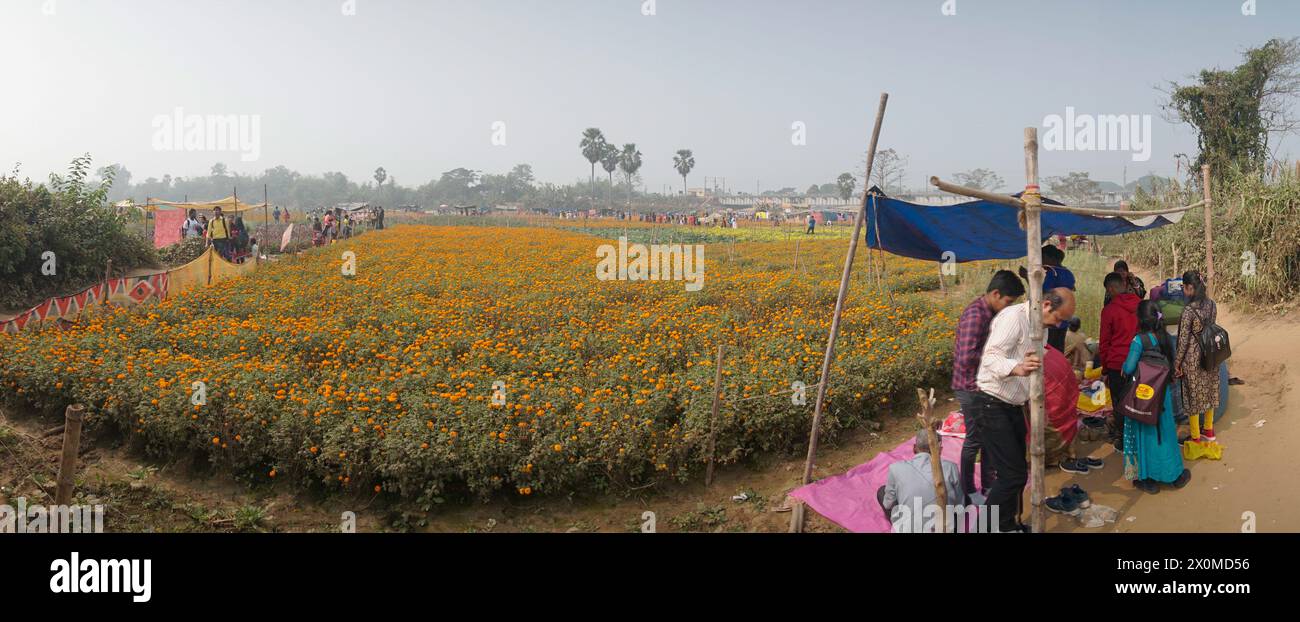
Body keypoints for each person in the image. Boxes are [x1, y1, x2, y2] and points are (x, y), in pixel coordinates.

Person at [973, 287, 1076, 533]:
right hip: (992, 402)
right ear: (1047, 305)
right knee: (1013, 475)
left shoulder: (1042, 330)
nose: (1058, 325)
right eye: (1058, 318)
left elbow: (1036, 365)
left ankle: (1008, 524)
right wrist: (1017, 367)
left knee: (1018, 471)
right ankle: (984, 527)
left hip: (1015, 405)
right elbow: (990, 358)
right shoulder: (1013, 317)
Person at [952, 270, 1025, 504]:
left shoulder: (990, 313)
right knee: (974, 440)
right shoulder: (976, 315)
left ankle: (988, 485)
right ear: (995, 294)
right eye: (1008, 302)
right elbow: (965, 357)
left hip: (980, 385)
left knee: (987, 439)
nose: (1008, 307)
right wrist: (996, 358)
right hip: (970, 386)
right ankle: (967, 490)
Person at [1123, 300, 1192, 492]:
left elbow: (1129, 367)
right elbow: (1172, 365)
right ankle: (1175, 475)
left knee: (1145, 435)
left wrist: (1123, 369)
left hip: (1144, 397)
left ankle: (1147, 480)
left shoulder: (1138, 341)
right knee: (1166, 433)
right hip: (1163, 397)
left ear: (1140, 319)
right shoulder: (1165, 338)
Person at [1175, 271, 1223, 461]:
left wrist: (1177, 364)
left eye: (1184, 287)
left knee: (1192, 397)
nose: (1183, 290)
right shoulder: (1212, 305)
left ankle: (1195, 437)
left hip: (1193, 359)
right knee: (1209, 391)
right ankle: (1209, 431)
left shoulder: (1188, 312)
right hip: (1210, 355)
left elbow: (1183, 342)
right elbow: (1210, 327)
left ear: (1190, 288)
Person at [877, 431, 963, 533]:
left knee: (882, 492)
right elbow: (960, 504)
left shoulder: (895, 468)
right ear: (940, 450)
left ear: (914, 448)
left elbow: (888, 504)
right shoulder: (951, 467)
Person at [1100, 271, 1140, 448]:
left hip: (1117, 364)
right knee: (1138, 399)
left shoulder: (1109, 311)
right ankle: (1139, 436)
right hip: (1139, 361)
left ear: (1110, 289)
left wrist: (1105, 370)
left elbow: (1104, 343)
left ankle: (1124, 440)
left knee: (1119, 402)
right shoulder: (1140, 304)